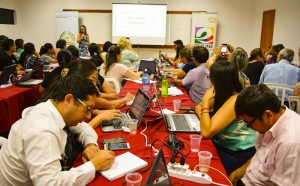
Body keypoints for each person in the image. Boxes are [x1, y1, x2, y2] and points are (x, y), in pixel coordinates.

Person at [0, 75, 115, 185]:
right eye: (87, 109)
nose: (88, 116)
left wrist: (90, 145)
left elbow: (85, 128)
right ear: (68, 100)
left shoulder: (54, 110)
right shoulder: (43, 130)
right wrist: (94, 165)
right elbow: (50, 184)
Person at [195, 60, 256, 176]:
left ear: (215, 80)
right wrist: (207, 118)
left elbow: (206, 132)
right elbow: (198, 108)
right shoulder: (223, 93)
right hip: (223, 145)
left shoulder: (235, 100)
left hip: (236, 153)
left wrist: (206, 102)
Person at [232, 84, 300, 186]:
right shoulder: (270, 122)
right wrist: (237, 174)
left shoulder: (290, 143)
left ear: (268, 115)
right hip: (248, 179)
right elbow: (261, 156)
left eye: (249, 123)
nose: (249, 127)